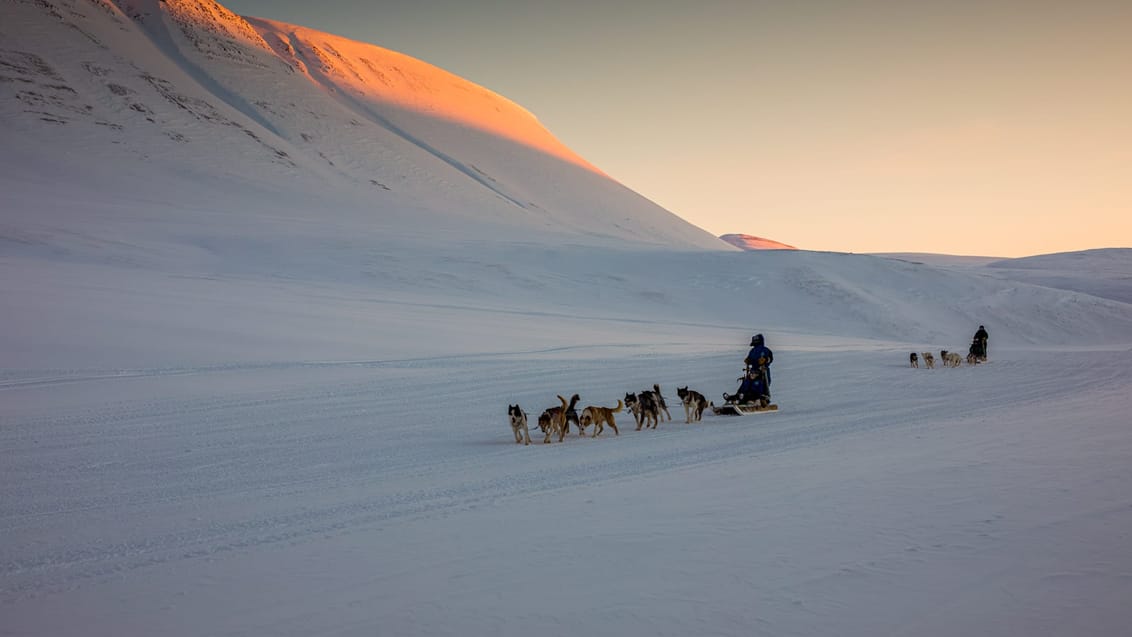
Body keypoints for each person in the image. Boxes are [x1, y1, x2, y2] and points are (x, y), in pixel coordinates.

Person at [725, 334, 774, 404]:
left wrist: (766, 359)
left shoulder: (766, 350)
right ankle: (738, 396)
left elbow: (770, 359)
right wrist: (748, 360)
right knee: (747, 383)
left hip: (762, 371)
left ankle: (760, 399)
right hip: (752, 371)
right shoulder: (752, 351)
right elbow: (750, 358)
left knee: (760, 385)